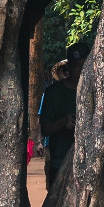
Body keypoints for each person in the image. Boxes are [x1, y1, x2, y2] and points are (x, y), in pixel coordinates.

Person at [37, 56, 77, 187]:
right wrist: (63, 122)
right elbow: (43, 124)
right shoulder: (52, 93)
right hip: (58, 157)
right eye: (64, 71)